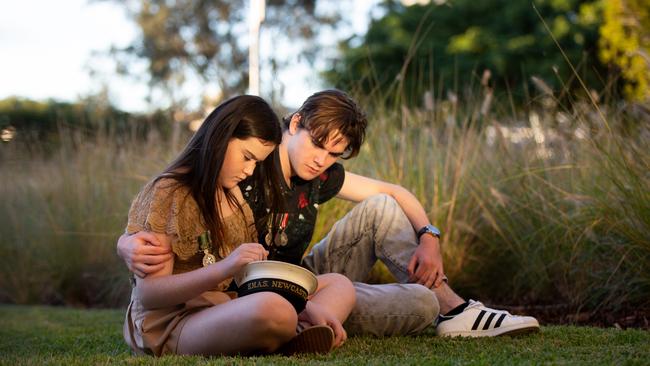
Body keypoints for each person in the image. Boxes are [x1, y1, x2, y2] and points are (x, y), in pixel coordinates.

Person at [119, 90, 539, 339]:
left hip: (296, 281)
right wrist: (125, 243)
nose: (322, 160)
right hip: (249, 291)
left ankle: (451, 309)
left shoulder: (313, 175)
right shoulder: (248, 166)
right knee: (283, 308)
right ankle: (302, 325)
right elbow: (173, 200)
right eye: (317, 145)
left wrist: (429, 236)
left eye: (334, 153)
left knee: (418, 292)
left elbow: (393, 192)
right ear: (295, 124)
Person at [121, 95, 355, 357]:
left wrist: (302, 303)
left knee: (339, 285)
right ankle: (289, 331)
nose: (250, 170)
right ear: (221, 137)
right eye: (247, 157)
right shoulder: (168, 192)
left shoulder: (233, 196)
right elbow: (150, 295)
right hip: (173, 321)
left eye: (257, 162)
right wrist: (226, 267)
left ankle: (290, 330)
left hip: (224, 306)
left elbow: (249, 280)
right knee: (273, 309)